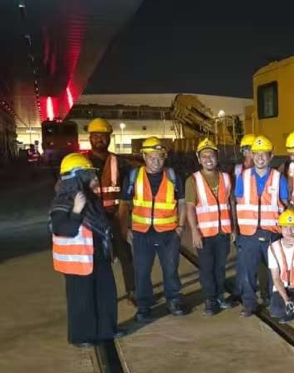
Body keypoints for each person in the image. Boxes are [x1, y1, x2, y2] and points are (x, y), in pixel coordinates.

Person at [50, 153, 122, 347]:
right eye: (87, 174)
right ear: (76, 176)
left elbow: (103, 226)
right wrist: (76, 211)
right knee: (81, 300)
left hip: (98, 256)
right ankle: (81, 336)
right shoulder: (63, 200)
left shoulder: (91, 199)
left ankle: (107, 330)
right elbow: (61, 229)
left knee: (106, 294)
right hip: (78, 261)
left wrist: (111, 250)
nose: (93, 178)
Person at [118, 137, 187, 323]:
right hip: (141, 233)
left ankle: (174, 300)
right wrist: (124, 228)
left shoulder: (173, 177)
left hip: (168, 232)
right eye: (151, 157)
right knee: (141, 272)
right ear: (144, 157)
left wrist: (180, 227)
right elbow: (124, 204)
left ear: (165, 158)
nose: (156, 162)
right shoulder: (134, 177)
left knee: (170, 269)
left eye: (160, 157)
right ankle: (144, 306)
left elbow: (182, 202)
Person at [234, 134, 288, 317]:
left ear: (271, 156)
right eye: (256, 153)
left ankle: (276, 304)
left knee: (275, 272)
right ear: (251, 155)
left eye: (264, 154)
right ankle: (249, 303)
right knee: (247, 272)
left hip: (272, 233)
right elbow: (239, 201)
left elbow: (285, 203)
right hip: (249, 233)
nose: (260, 157)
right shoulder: (243, 177)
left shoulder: (278, 178)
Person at [84, 117, 136, 306]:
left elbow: (129, 189)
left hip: (115, 216)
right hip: (92, 219)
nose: (100, 139)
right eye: (96, 135)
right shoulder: (81, 162)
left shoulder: (119, 163)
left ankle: (133, 291)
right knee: (97, 259)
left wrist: (124, 217)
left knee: (125, 255)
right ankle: (100, 294)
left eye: (103, 136)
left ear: (109, 138)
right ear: (90, 138)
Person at [185, 138, 235, 315]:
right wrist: (194, 232)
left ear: (217, 157)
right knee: (207, 269)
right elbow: (190, 207)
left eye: (211, 155)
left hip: (223, 233)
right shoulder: (193, 180)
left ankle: (219, 296)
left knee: (220, 268)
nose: (208, 159)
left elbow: (230, 204)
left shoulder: (226, 178)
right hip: (204, 234)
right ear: (199, 159)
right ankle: (209, 300)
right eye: (204, 156)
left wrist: (233, 228)